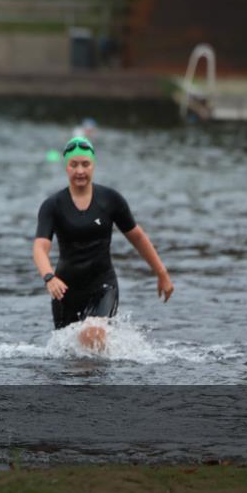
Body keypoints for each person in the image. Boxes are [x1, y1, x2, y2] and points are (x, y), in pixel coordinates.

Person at [32, 136, 173, 350]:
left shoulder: (111, 200)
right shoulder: (52, 206)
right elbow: (40, 247)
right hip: (65, 290)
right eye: (74, 164)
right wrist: (49, 277)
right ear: (66, 167)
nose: (80, 170)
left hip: (102, 285)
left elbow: (137, 236)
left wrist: (161, 273)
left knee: (92, 336)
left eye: (85, 164)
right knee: (70, 358)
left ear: (93, 165)